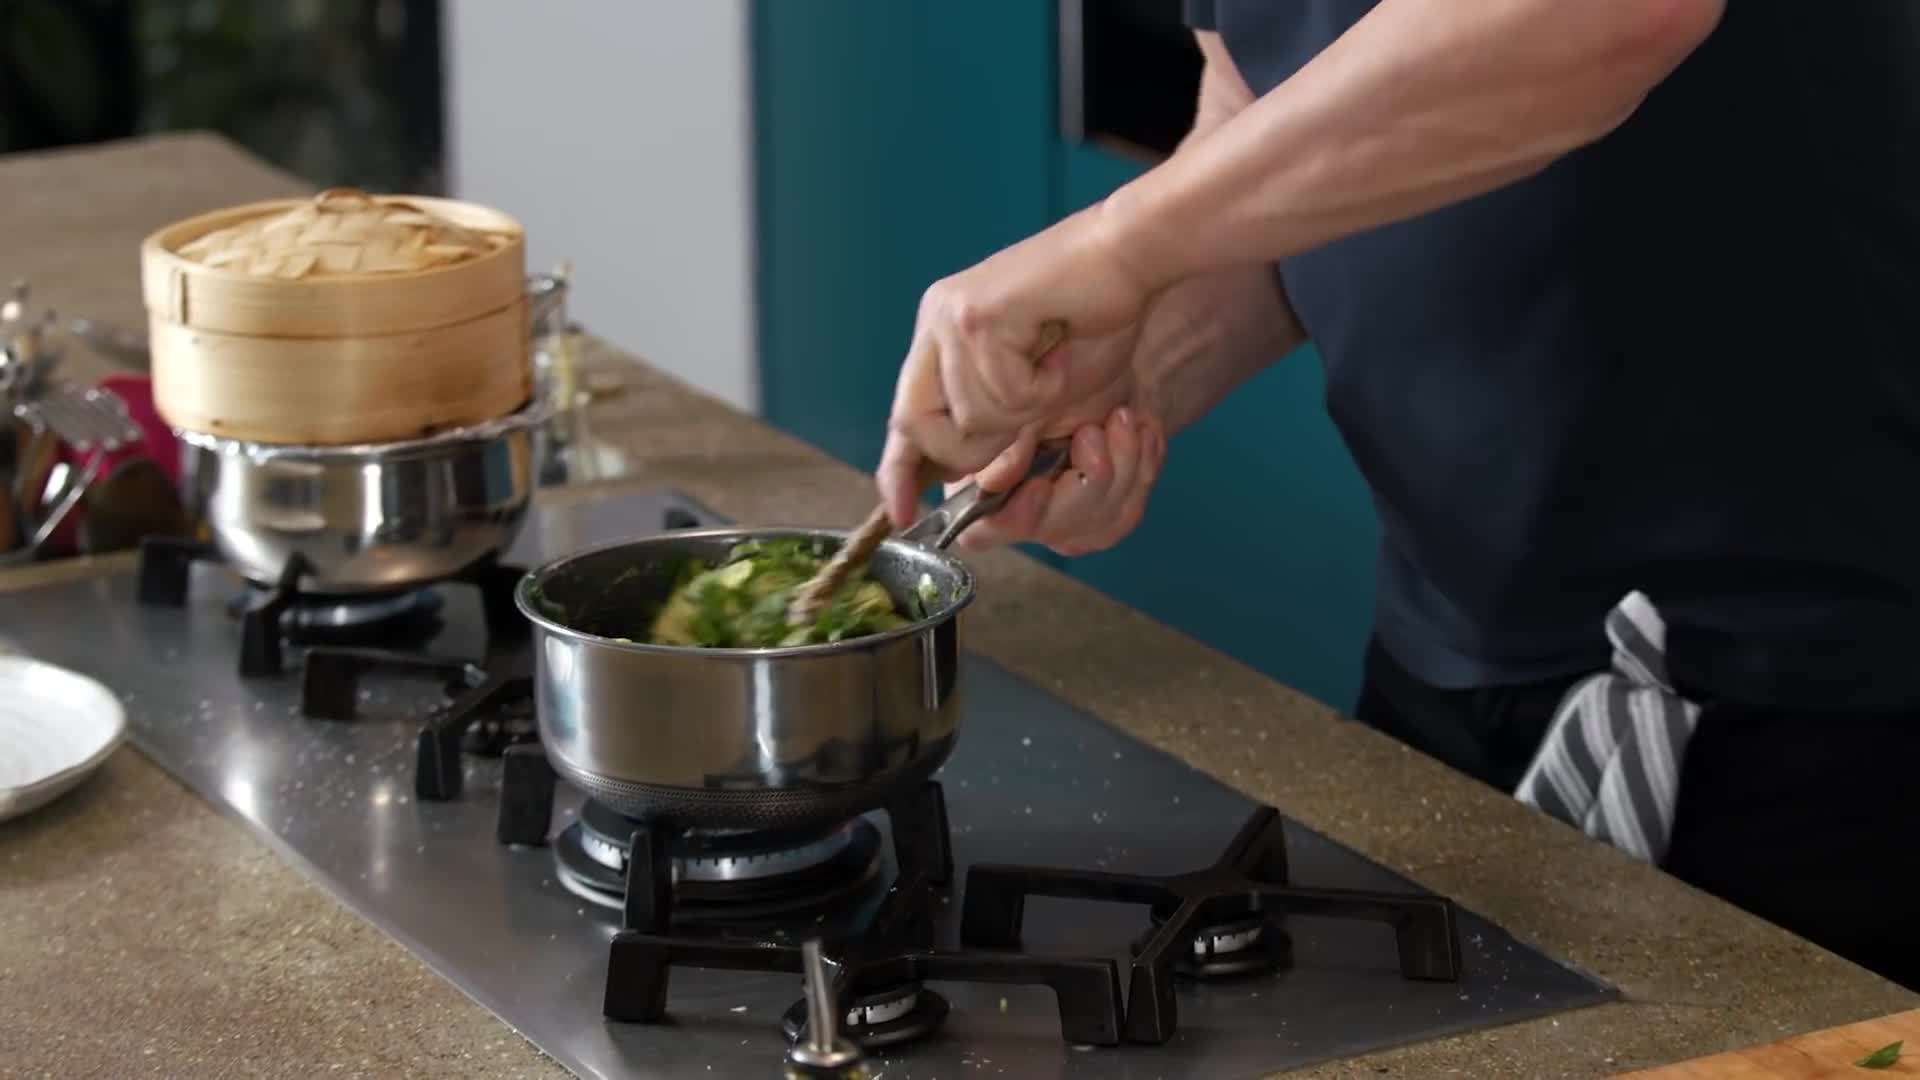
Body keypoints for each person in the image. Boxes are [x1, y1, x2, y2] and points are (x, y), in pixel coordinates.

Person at [875, 0, 1920, 990]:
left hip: (1821, 700)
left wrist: (1117, 245)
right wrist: (1120, 377)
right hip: (1452, 665)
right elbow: (1268, 115)